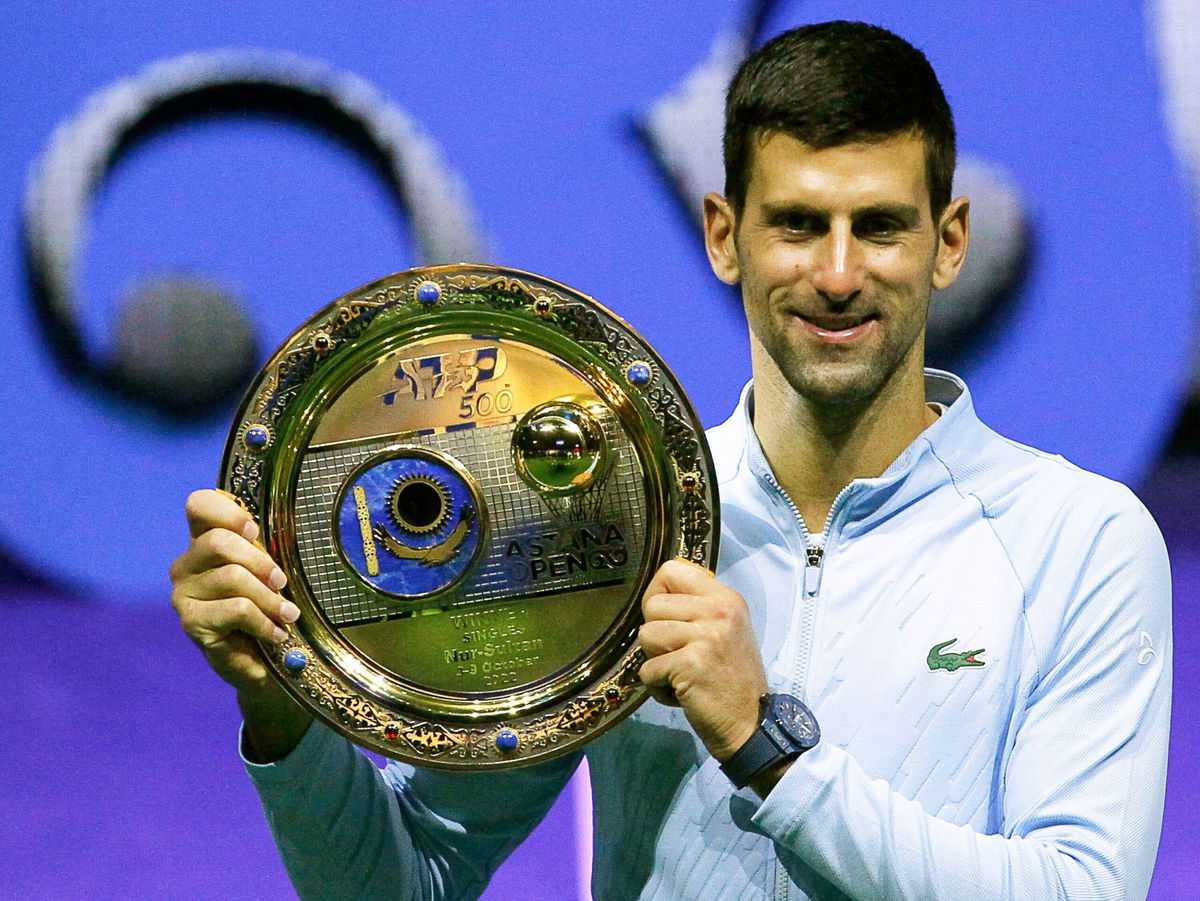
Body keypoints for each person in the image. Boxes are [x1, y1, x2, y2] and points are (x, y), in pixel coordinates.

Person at [170, 21, 1171, 900]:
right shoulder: (609, 521)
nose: (835, 273)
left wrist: (767, 747)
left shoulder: (1078, 539)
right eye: (795, 224)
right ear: (724, 235)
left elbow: (1078, 889)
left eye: (879, 227)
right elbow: (409, 884)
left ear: (949, 242)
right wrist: (280, 706)